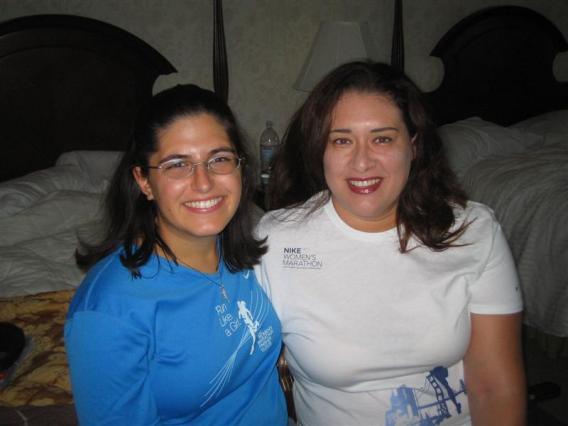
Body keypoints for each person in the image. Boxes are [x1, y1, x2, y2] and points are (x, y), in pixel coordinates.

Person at [255, 62, 526, 425]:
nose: (362, 162)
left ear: (413, 146)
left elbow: (494, 387)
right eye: (342, 140)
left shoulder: (473, 230)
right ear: (321, 151)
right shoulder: (278, 241)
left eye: (382, 139)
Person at [65, 84, 287, 425]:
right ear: (144, 181)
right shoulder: (108, 312)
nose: (204, 183)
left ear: (240, 167)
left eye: (219, 159)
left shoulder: (247, 253)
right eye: (177, 165)